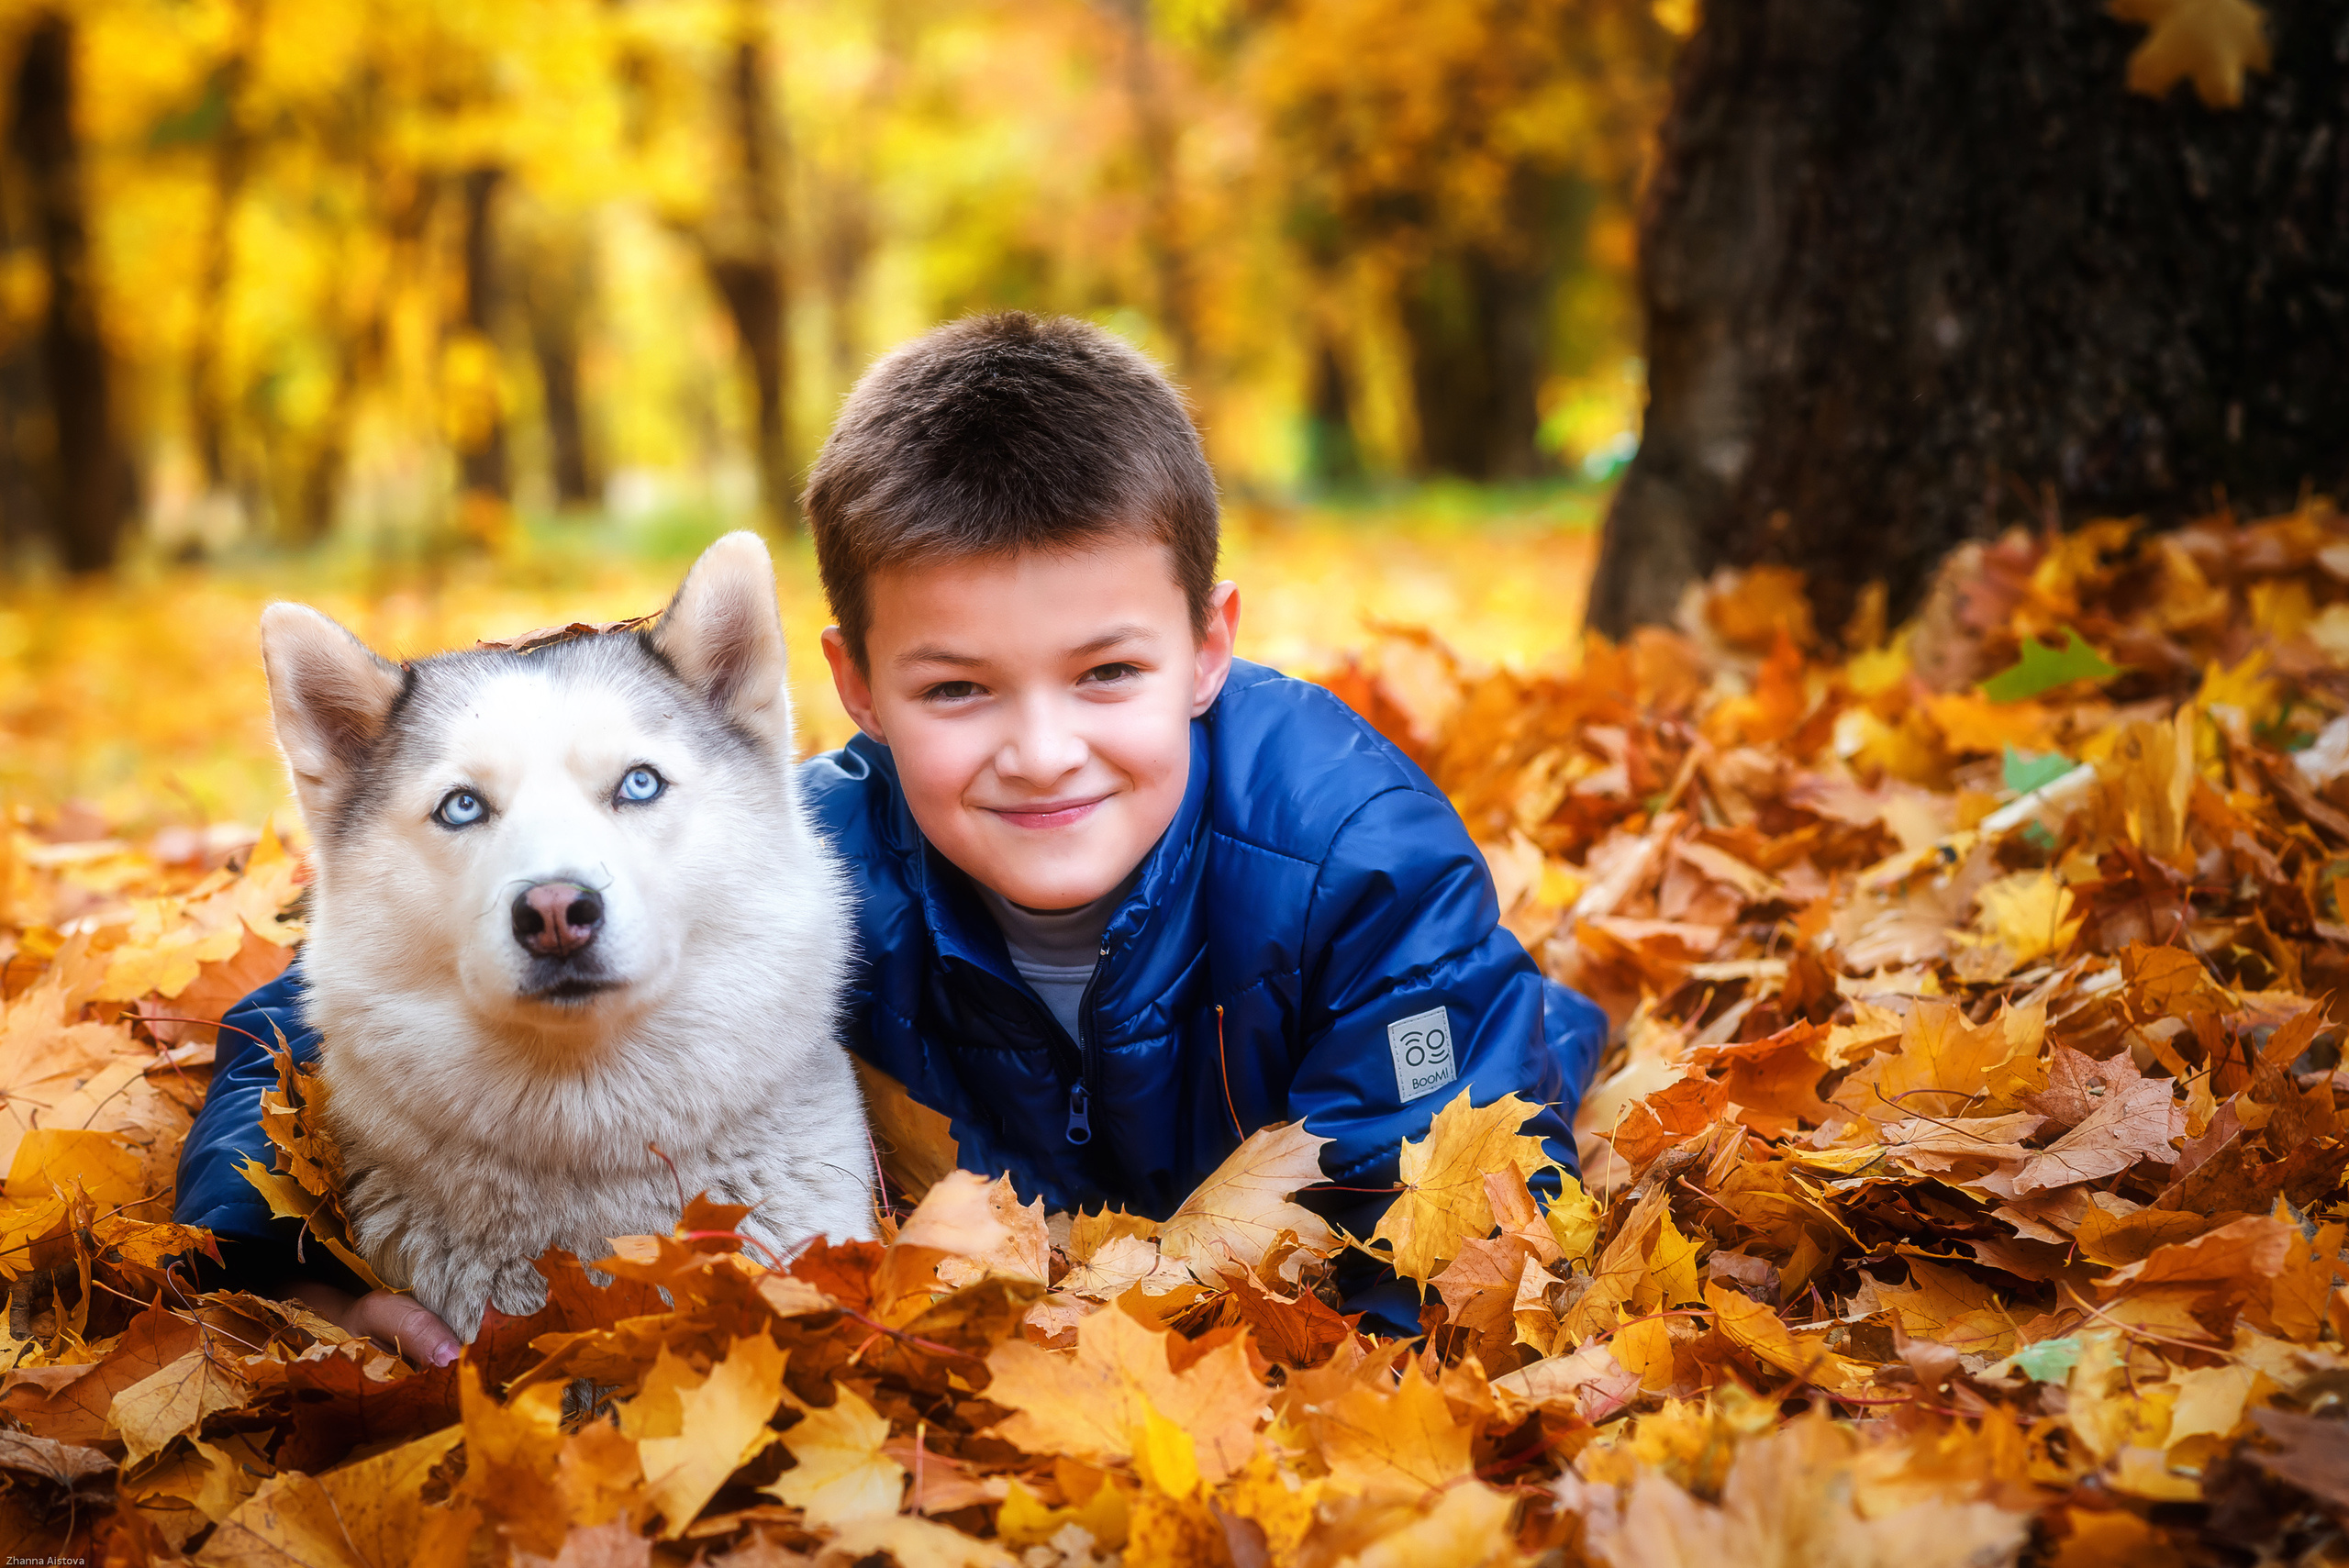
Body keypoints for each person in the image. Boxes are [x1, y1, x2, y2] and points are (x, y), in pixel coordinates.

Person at [173, 311, 1608, 1362]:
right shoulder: (819, 846)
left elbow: (1432, 1240)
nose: (1042, 751)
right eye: (958, 689)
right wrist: (278, 1257)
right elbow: (289, 1017)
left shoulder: (1354, 857)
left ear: (1204, 646)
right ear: (855, 689)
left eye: (1106, 672)